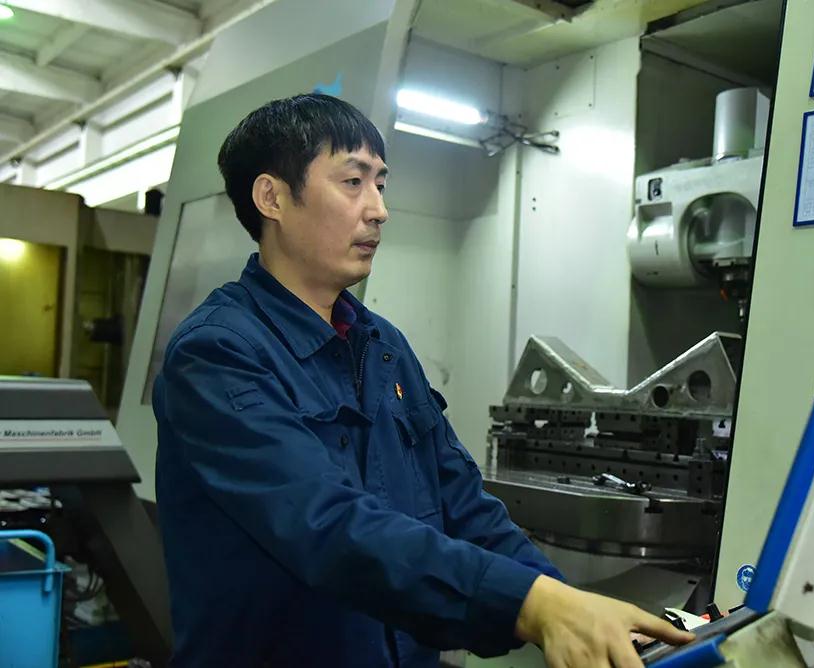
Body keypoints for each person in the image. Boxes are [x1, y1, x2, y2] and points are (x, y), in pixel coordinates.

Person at [153, 93, 693, 668]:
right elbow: (326, 526)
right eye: (353, 182)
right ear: (273, 197)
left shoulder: (381, 345)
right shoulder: (217, 354)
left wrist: (565, 604)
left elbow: (463, 505)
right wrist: (529, 605)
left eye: (381, 184)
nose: (379, 209)